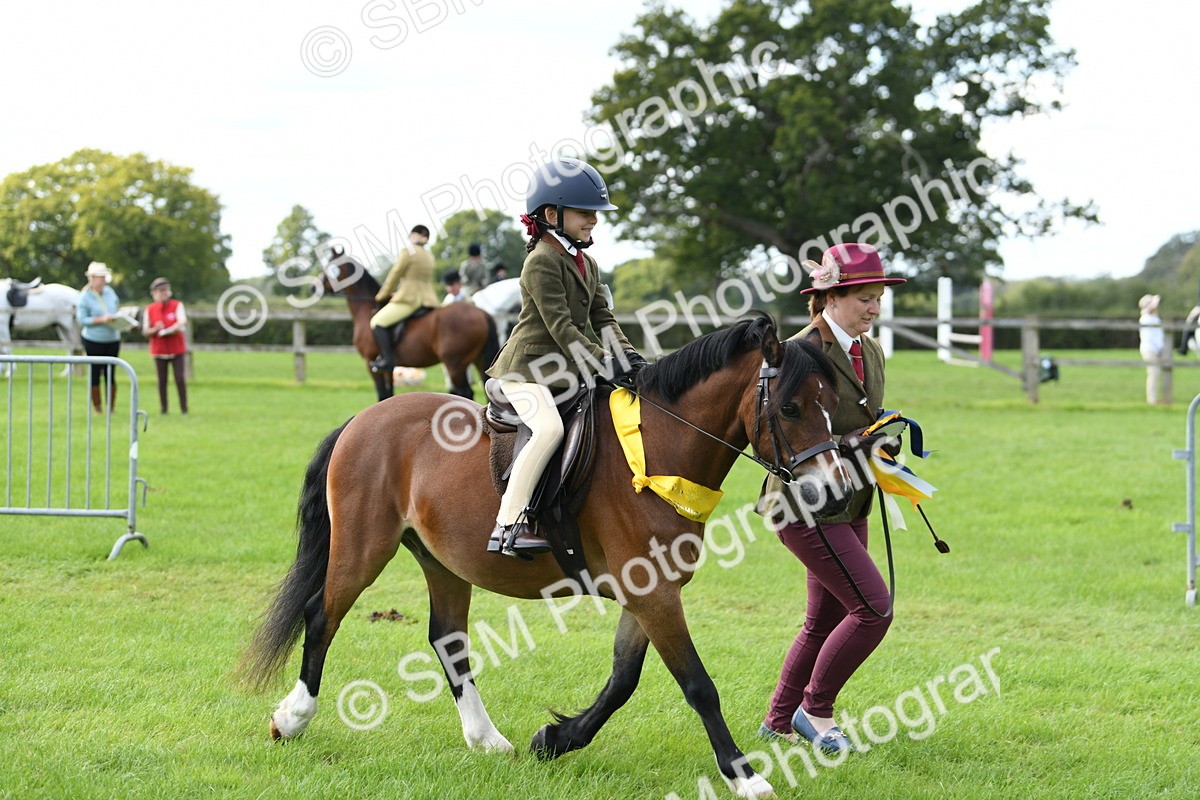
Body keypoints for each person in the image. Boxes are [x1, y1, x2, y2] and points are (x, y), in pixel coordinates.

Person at [755, 242, 906, 752]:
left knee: (826, 617)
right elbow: (787, 430)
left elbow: (862, 419)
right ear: (830, 298)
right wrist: (849, 443)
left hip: (852, 499)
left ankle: (777, 720)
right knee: (873, 609)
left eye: (878, 298)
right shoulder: (798, 352)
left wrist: (883, 435)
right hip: (804, 502)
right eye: (865, 297)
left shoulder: (873, 350)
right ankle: (814, 711)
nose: (874, 308)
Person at [485, 157, 645, 558]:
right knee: (549, 431)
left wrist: (629, 356)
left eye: (595, 213)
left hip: (568, 370)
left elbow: (602, 317)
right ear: (552, 214)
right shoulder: (540, 260)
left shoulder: (586, 262)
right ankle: (509, 524)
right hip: (526, 372)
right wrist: (604, 362)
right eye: (584, 213)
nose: (593, 221)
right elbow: (562, 328)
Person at [370, 225, 439, 375]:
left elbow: (395, 274)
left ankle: (388, 360)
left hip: (410, 299)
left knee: (377, 322)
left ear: (414, 235)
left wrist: (382, 295)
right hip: (429, 299)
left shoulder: (408, 252)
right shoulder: (429, 256)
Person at [76, 261, 124, 413]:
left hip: (112, 338)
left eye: (104, 276)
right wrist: (102, 320)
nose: (103, 280)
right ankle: (97, 407)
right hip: (93, 340)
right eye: (100, 277)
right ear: (92, 278)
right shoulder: (84, 297)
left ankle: (111, 407)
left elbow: (116, 308)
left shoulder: (110, 292)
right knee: (95, 372)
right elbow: (82, 320)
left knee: (111, 373)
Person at [142, 276, 189, 414]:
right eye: (159, 291)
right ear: (154, 293)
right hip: (159, 349)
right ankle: (164, 408)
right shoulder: (150, 309)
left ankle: (184, 408)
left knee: (180, 378)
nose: (163, 293)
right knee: (162, 380)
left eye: (165, 290)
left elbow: (181, 322)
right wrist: (156, 329)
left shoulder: (177, 305)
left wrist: (171, 329)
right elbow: (146, 331)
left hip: (176, 348)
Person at [1138, 294, 1165, 405]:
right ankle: (1152, 400)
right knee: (1153, 373)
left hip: (1157, 349)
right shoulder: (1146, 318)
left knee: (1157, 373)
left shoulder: (1154, 318)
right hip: (1150, 349)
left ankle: (1156, 398)